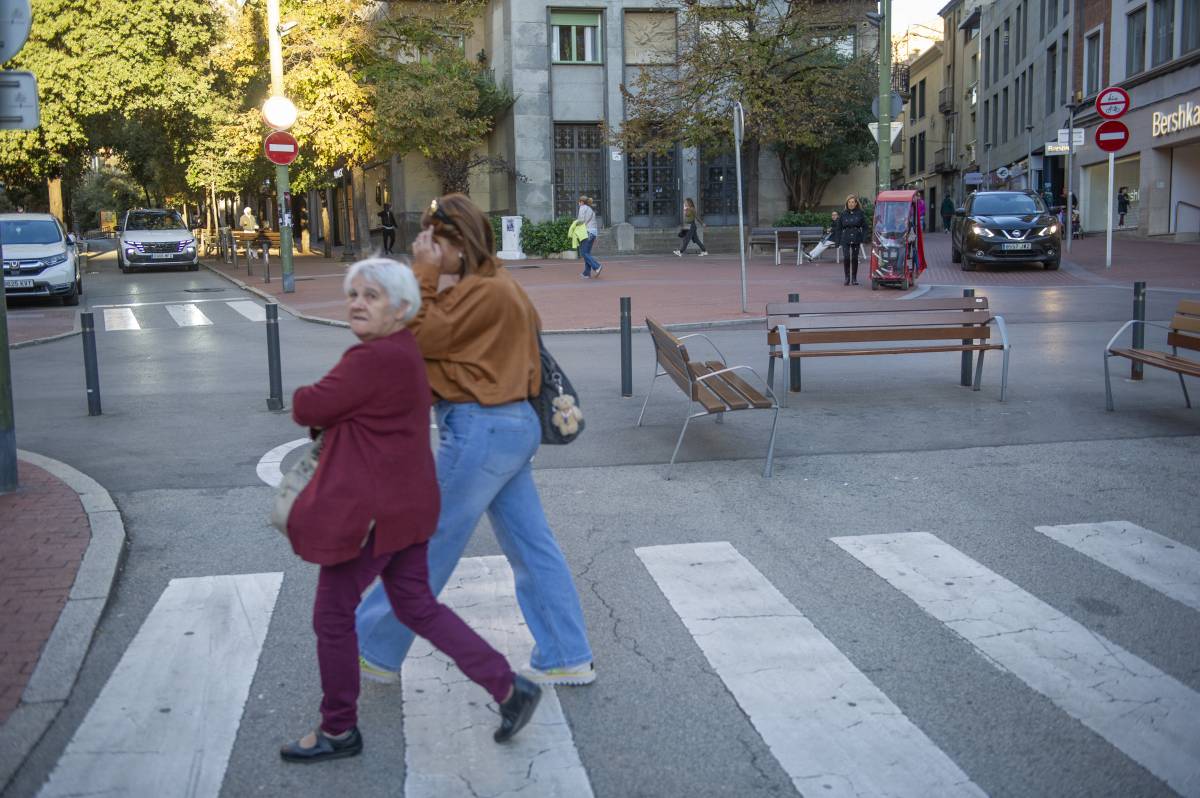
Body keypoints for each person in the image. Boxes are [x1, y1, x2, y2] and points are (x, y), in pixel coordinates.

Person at [281, 257, 542, 763]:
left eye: (371, 296)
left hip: (376, 516)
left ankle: (338, 729)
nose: (358, 303)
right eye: (353, 293)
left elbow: (308, 406)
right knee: (417, 606)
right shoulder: (402, 351)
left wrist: (323, 404)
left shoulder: (373, 359)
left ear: (401, 309)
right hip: (408, 508)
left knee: (332, 616)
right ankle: (508, 688)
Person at [355, 194, 595, 688]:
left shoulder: (485, 293)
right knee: (532, 547)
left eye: (432, 240)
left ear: (459, 243)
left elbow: (414, 334)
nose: (424, 247)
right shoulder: (486, 287)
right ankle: (566, 653)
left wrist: (420, 271)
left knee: (429, 538)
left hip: (483, 429)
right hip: (504, 429)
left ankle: (372, 646)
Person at [839, 194, 866, 286]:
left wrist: (863, 237)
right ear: (847, 203)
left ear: (856, 203)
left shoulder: (860, 213)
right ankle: (847, 278)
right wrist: (837, 241)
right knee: (846, 257)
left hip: (856, 236)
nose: (851, 204)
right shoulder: (843, 214)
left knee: (854, 258)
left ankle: (854, 278)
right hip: (846, 237)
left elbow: (865, 226)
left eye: (853, 202)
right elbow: (838, 228)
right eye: (849, 202)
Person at [577, 196, 603, 278]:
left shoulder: (582, 207)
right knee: (587, 253)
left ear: (581, 202)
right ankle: (586, 273)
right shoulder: (590, 209)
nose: (578, 203)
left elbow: (581, 220)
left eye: (579, 201)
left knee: (584, 253)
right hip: (593, 232)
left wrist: (575, 224)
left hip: (587, 232)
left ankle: (597, 266)